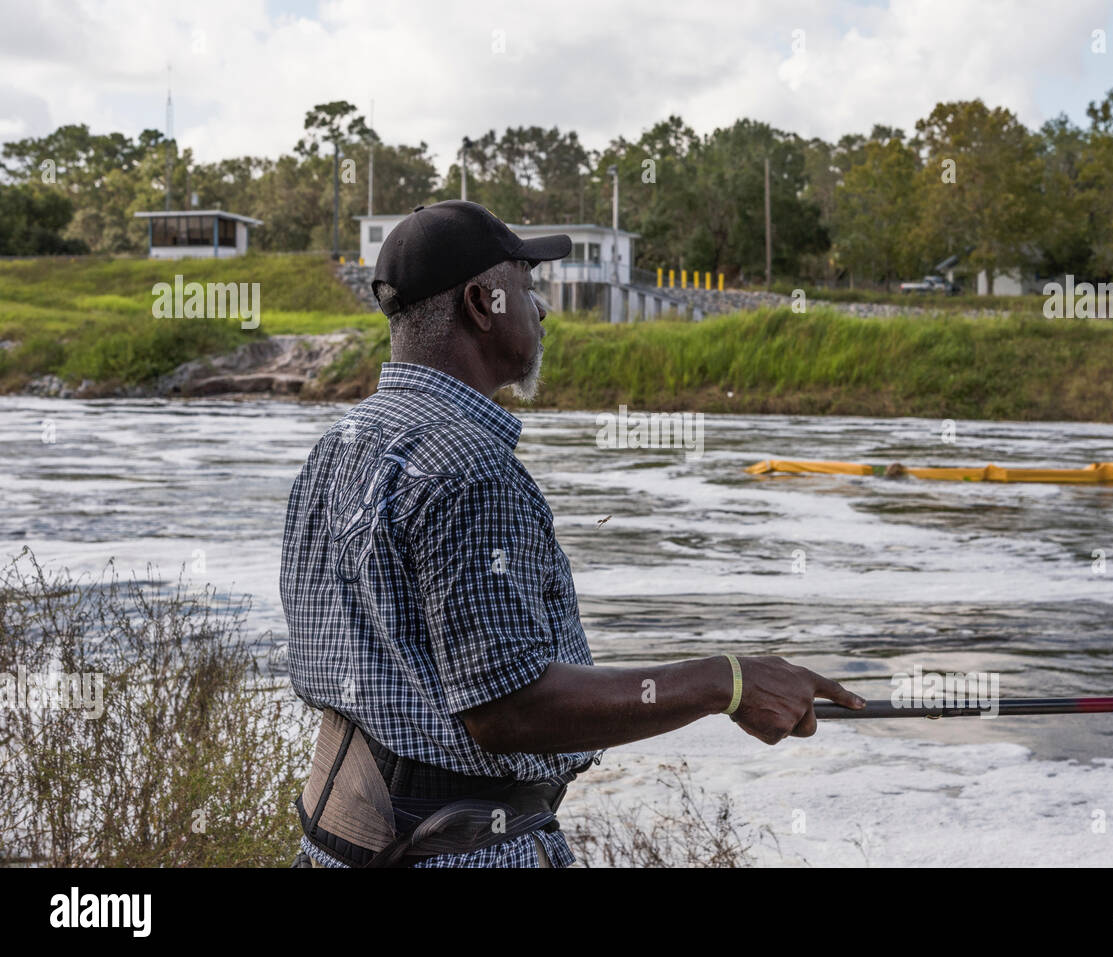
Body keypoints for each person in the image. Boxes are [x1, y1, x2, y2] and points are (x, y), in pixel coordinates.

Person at [280, 200, 865, 868]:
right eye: (530, 288)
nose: (544, 310)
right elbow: (505, 709)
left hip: (339, 843)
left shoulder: (339, 443)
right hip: (458, 853)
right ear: (482, 302)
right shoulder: (469, 467)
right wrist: (727, 681)